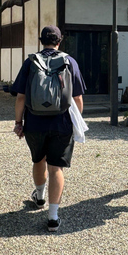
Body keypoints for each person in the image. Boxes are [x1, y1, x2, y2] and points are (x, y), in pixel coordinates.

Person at [12, 25, 86, 232]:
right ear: (60, 41)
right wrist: (75, 122)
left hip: (35, 122)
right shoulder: (70, 61)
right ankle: (53, 217)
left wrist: (19, 123)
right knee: (56, 168)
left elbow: (20, 97)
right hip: (61, 122)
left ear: (41, 40)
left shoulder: (31, 61)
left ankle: (40, 197)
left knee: (38, 160)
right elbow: (77, 98)